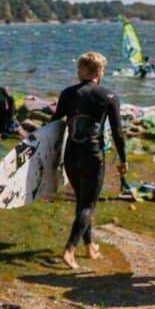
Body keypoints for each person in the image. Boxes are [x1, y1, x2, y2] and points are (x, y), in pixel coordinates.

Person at [50, 52, 127, 270]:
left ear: (83, 70)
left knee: (83, 201)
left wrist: (49, 157)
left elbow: (53, 124)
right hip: (93, 156)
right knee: (88, 205)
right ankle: (69, 249)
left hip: (71, 154)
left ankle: (90, 245)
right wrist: (123, 159)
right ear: (100, 71)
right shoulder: (108, 96)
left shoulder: (68, 93)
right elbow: (118, 132)